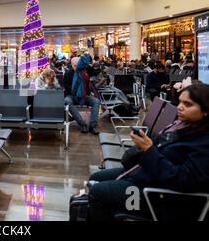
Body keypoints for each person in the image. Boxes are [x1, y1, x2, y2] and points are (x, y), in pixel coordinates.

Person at [87, 83, 209, 221]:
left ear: (206, 110)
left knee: (98, 193)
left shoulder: (204, 143)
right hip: (148, 177)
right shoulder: (182, 127)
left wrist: (149, 150)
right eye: (180, 102)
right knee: (95, 178)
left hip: (158, 198)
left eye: (188, 104)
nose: (180, 107)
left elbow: (182, 180)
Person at [64, 54, 101, 135]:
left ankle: (92, 126)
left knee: (96, 102)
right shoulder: (68, 73)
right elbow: (66, 88)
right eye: (75, 65)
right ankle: (82, 124)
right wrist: (77, 88)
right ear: (71, 65)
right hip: (72, 96)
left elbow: (95, 73)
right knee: (67, 101)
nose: (77, 67)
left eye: (78, 64)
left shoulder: (85, 71)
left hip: (85, 96)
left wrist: (87, 66)